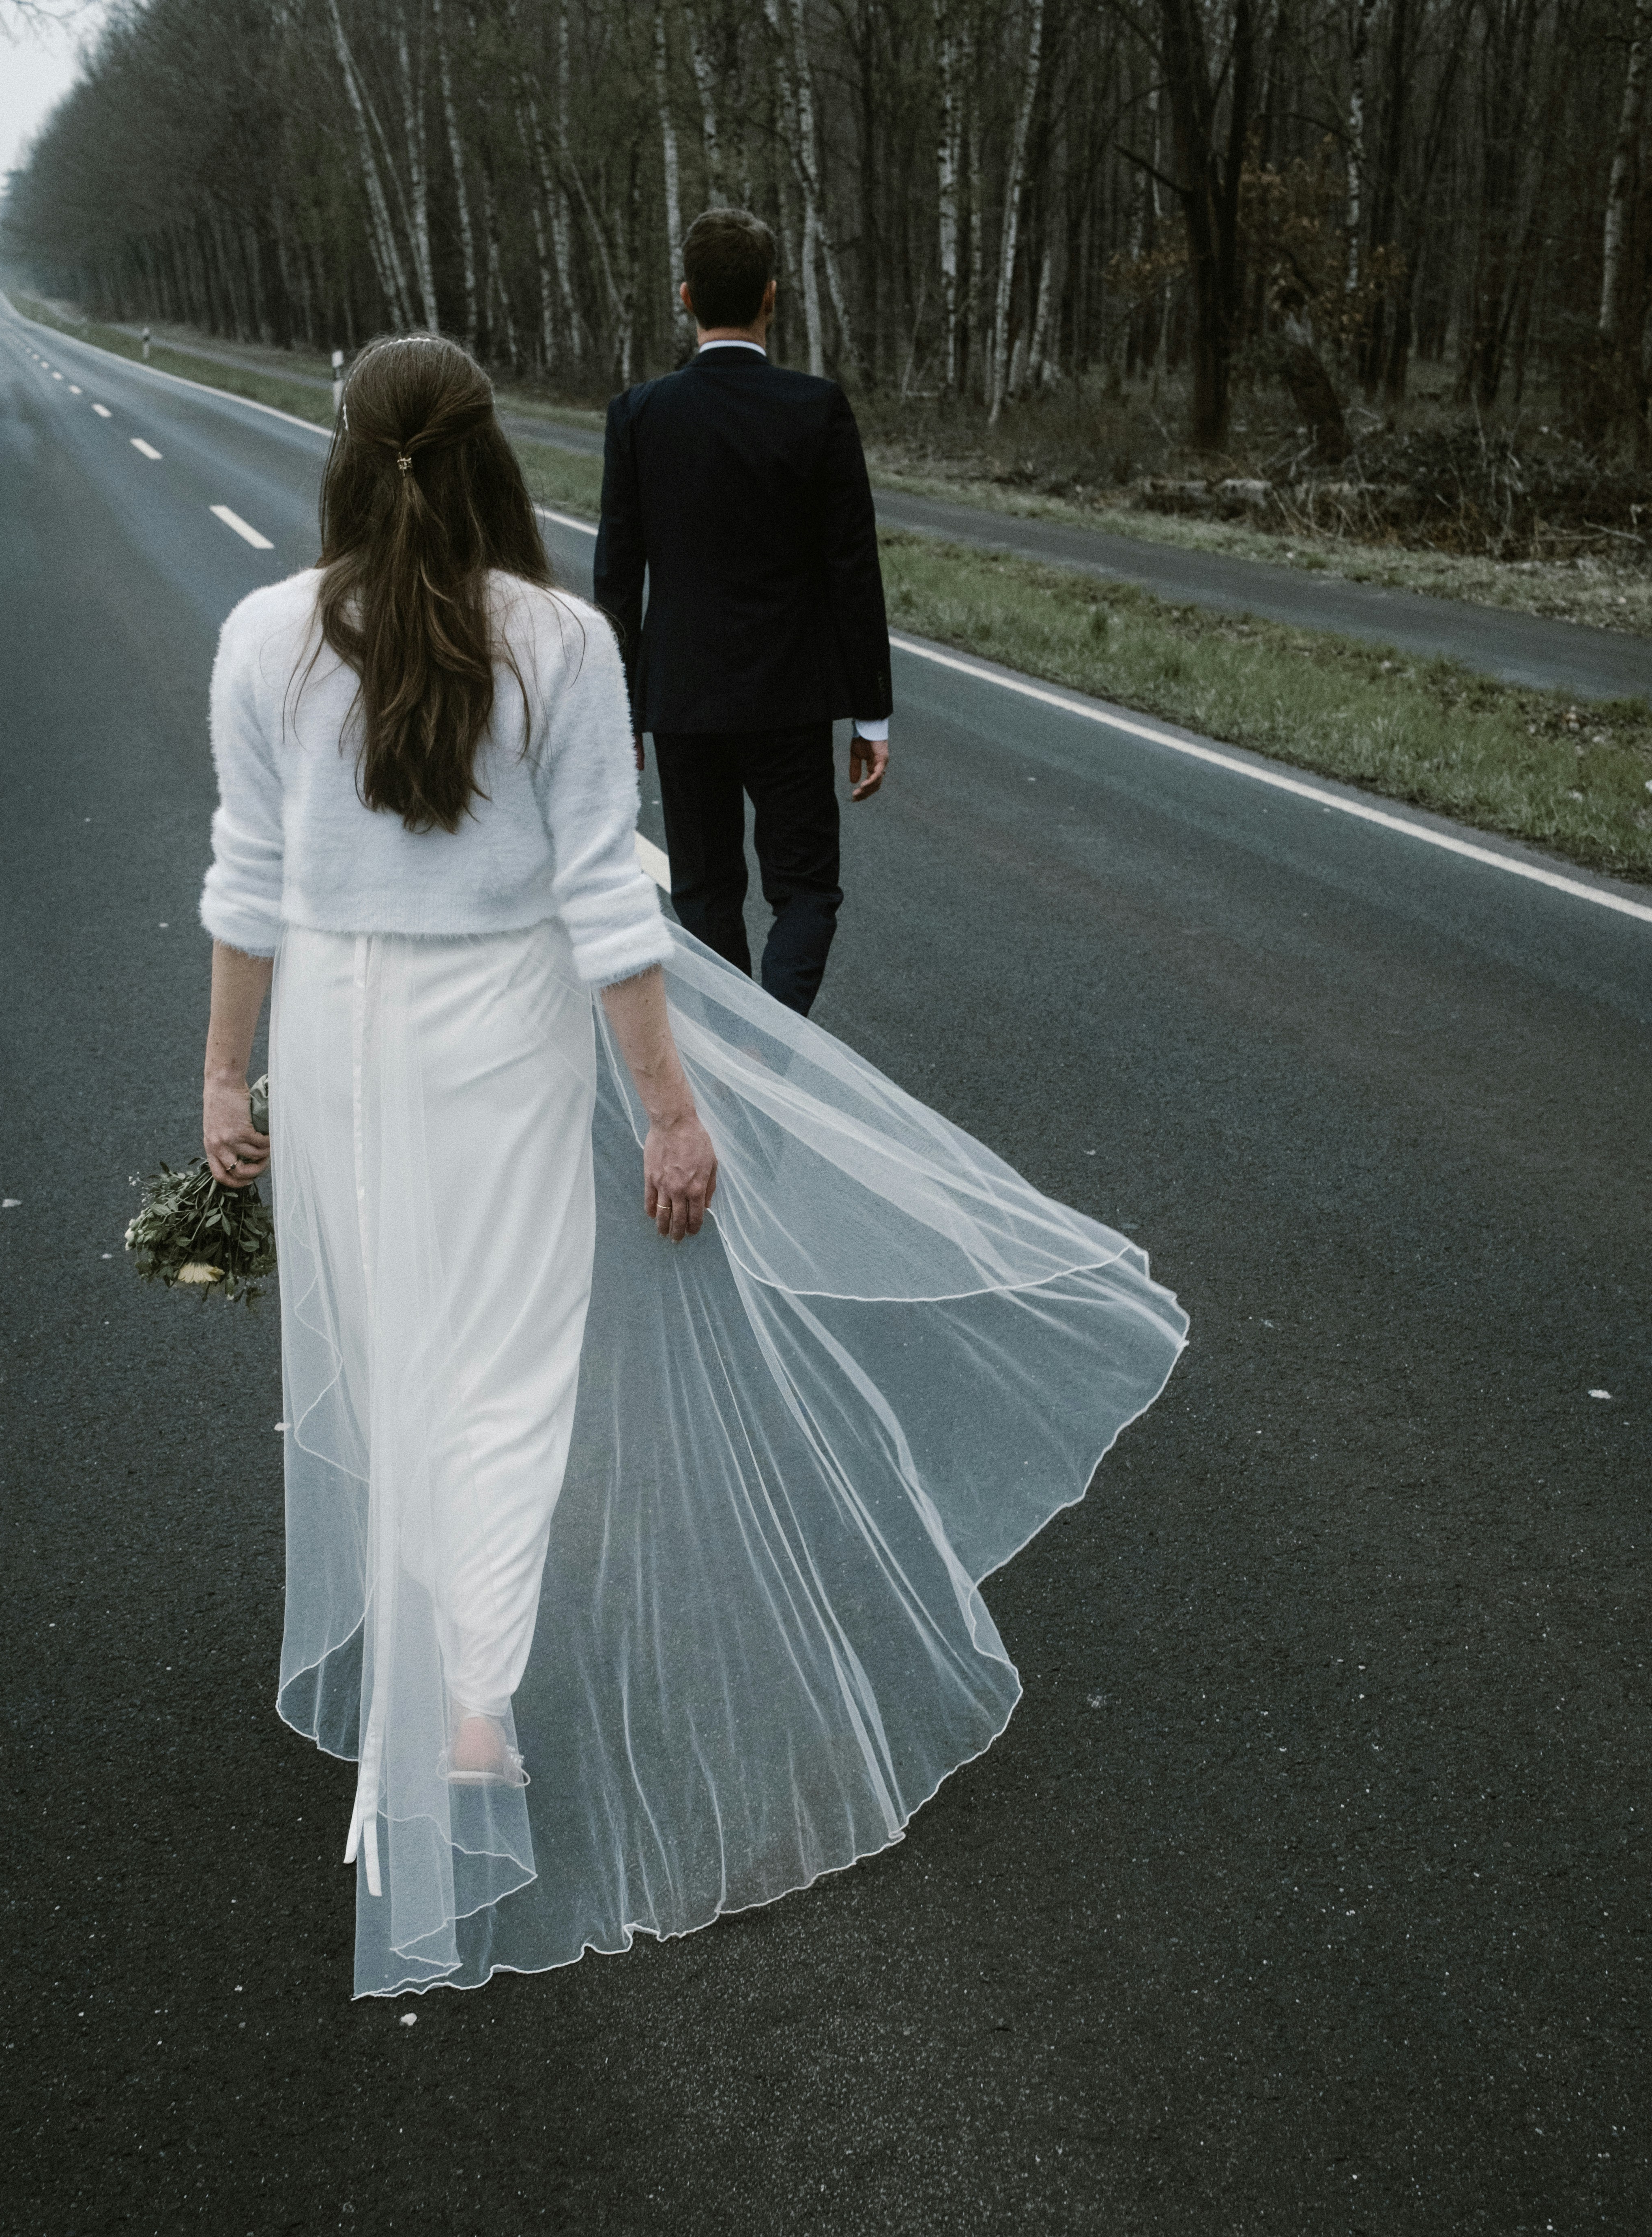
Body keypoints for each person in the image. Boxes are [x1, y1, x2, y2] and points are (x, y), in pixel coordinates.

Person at [198, 335, 1188, 2001]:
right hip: (502, 1025)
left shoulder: (261, 637)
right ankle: (470, 1706)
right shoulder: (561, 642)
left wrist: (226, 1074)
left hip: (340, 1044)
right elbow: (603, 897)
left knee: (395, 1350)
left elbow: (245, 880)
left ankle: (440, 1651)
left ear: (347, 460)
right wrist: (667, 1107)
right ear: (495, 456)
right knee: (512, 1367)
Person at [594, 206, 890, 1017]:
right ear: (772, 298)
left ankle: (743, 1055)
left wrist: (621, 714)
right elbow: (853, 572)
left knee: (703, 892)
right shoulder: (816, 409)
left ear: (686, 298)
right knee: (806, 892)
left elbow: (616, 582)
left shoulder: (638, 417)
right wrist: (872, 715)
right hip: (791, 698)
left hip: (682, 696)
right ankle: (775, 1047)